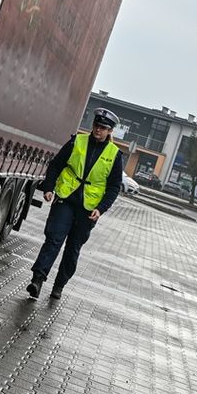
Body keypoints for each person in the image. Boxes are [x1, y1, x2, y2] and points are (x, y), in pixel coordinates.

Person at [26, 108, 125, 300]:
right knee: (54, 239)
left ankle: (59, 285)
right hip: (66, 200)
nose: (98, 130)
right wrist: (48, 187)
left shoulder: (115, 155)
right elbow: (56, 165)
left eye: (103, 128)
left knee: (73, 249)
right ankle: (37, 280)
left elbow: (114, 187)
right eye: (96, 126)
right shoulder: (76, 141)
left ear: (109, 131)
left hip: (88, 210)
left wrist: (101, 209)